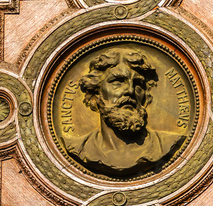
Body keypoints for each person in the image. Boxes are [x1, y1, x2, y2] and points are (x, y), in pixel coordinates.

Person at [65, 48, 184, 177]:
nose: (130, 91)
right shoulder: (80, 147)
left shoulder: (165, 144)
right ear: (96, 92)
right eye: (118, 82)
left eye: (138, 84)